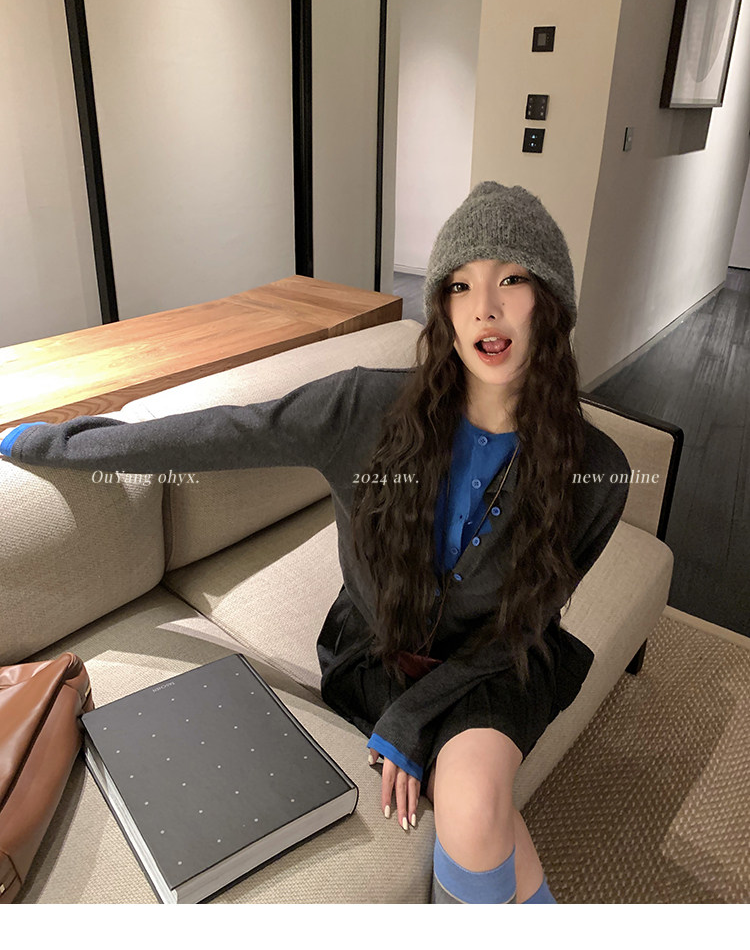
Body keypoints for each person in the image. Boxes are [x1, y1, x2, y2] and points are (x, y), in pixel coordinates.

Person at [0, 181, 630, 904]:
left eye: (511, 279)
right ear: (443, 309)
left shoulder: (597, 472)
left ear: (552, 300)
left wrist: (411, 721)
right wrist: (54, 443)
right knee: (482, 816)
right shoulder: (364, 409)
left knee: (476, 804)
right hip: (377, 656)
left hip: (494, 665)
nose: (484, 306)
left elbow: (523, 628)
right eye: (461, 285)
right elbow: (221, 433)